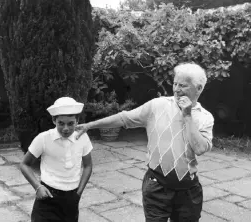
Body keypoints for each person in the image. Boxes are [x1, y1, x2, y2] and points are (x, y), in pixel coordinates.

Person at [76, 63, 214, 222]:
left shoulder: (205, 117)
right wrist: (90, 125)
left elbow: (200, 148)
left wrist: (188, 116)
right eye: (175, 84)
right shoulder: (157, 105)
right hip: (157, 185)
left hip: (188, 191)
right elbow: (124, 118)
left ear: (198, 88)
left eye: (182, 85)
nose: (176, 89)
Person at [20, 97, 93, 222]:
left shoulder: (82, 137)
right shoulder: (43, 138)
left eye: (70, 123)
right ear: (54, 120)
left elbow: (88, 166)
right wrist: (37, 187)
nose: (66, 128)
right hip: (47, 197)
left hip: (71, 199)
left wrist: (78, 193)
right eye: (61, 123)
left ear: (77, 121)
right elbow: (24, 164)